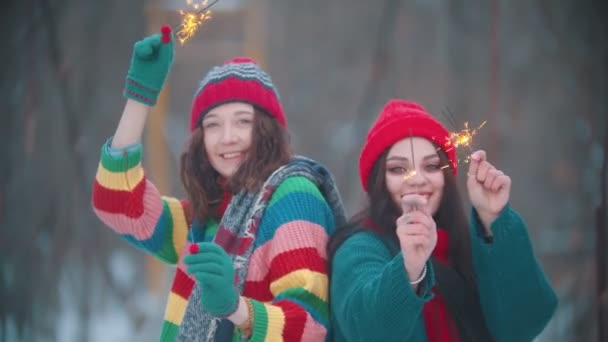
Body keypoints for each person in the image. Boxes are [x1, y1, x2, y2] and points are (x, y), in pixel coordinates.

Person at [92, 26, 345, 341]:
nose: (227, 138)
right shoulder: (206, 218)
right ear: (201, 140)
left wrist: (235, 307)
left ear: (267, 129)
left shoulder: (294, 198)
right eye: (213, 125)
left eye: (243, 121)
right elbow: (116, 203)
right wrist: (139, 98)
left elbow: (310, 328)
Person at [327, 99, 557, 341]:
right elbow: (369, 332)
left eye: (431, 166)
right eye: (398, 169)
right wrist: (409, 270)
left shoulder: (468, 248)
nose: (416, 180)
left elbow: (526, 323)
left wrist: (495, 221)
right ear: (378, 180)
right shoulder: (358, 249)